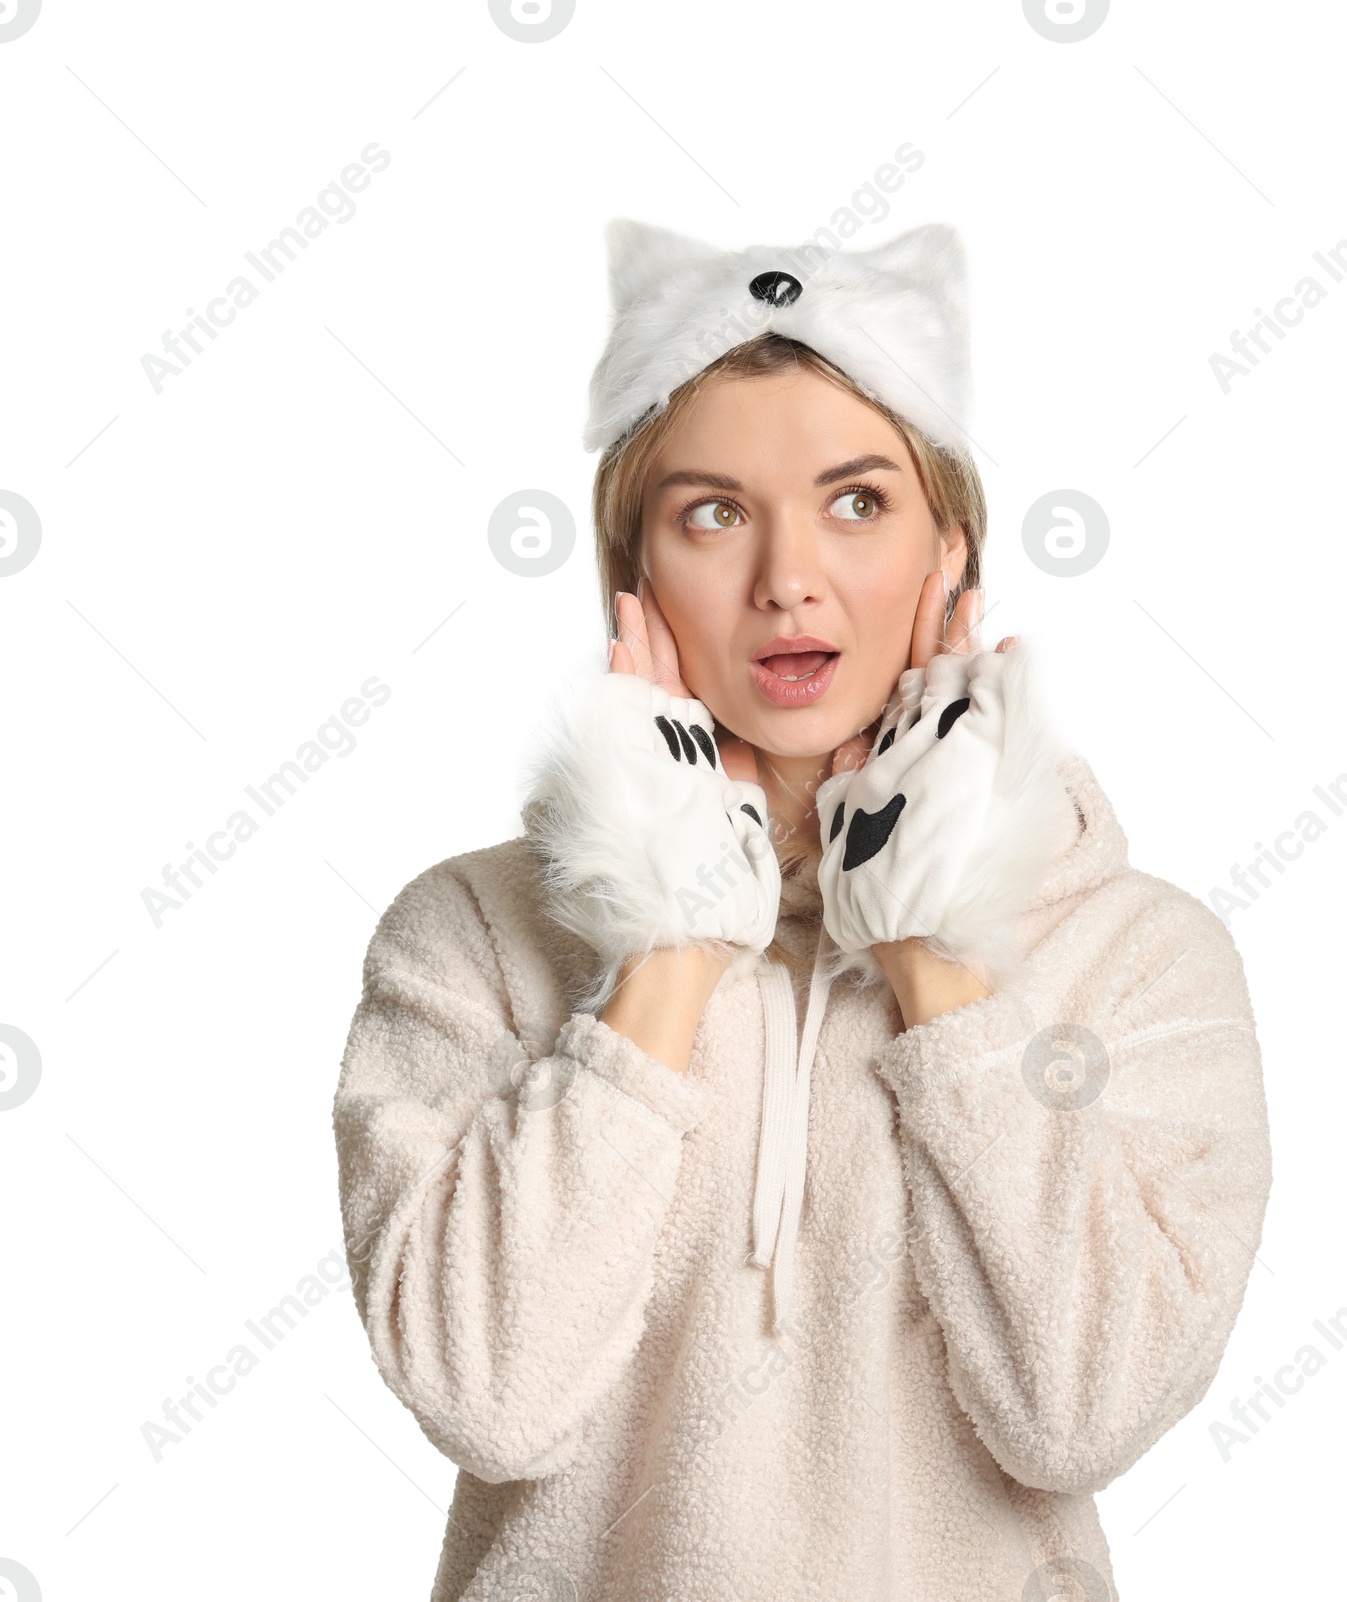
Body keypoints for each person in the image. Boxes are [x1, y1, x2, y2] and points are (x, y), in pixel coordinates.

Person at [332, 218, 1273, 1602]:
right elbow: (489, 1392)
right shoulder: (467, 937)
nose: (789, 576)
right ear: (631, 574)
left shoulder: (1139, 956)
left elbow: (1081, 1410)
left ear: (952, 556)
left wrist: (928, 941)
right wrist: (661, 943)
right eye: (715, 510)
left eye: (857, 501)